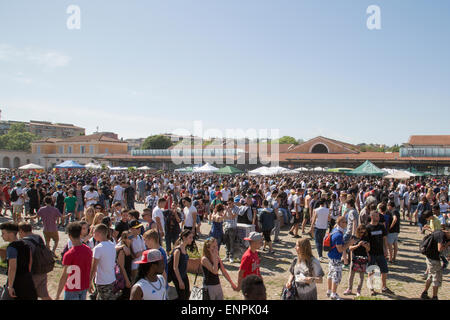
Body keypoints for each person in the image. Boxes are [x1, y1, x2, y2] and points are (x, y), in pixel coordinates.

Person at [56, 222, 93, 300]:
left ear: (69, 236)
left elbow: (64, 276)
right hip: (84, 286)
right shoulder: (89, 250)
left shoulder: (69, 254)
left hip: (72, 287)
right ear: (80, 234)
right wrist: (90, 283)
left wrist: (57, 295)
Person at [0, 222, 37, 300]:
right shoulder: (25, 244)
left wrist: (10, 286)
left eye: (3, 233)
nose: (1, 235)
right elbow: (30, 262)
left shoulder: (11, 248)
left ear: (10, 234)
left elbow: (12, 268)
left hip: (16, 281)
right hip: (27, 279)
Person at [18, 222, 51, 300]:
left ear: (21, 231)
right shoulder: (38, 237)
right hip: (42, 270)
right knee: (44, 295)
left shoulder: (24, 242)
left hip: (33, 273)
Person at [366, 210, 395, 296]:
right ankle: (371, 288)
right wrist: (367, 253)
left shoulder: (381, 226)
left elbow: (385, 238)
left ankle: (384, 287)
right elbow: (366, 242)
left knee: (384, 270)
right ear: (372, 217)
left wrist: (385, 249)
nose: (378, 218)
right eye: (376, 216)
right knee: (371, 271)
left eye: (378, 216)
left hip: (381, 253)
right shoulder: (368, 228)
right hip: (372, 253)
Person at [326, 216, 356, 300]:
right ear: (340, 223)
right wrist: (350, 243)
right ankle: (334, 294)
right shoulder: (339, 234)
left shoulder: (334, 230)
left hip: (331, 256)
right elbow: (340, 249)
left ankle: (329, 291)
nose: (346, 223)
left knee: (330, 274)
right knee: (336, 276)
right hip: (336, 258)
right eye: (345, 222)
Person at [89, 224, 118, 300]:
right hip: (111, 278)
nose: (92, 235)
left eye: (93, 233)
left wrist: (89, 282)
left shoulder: (98, 248)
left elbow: (94, 267)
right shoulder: (112, 245)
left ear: (98, 233)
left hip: (102, 280)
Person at [420, 229, 450, 300]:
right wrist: (447, 245)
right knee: (436, 278)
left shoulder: (439, 232)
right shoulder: (441, 236)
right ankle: (434, 297)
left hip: (430, 257)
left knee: (430, 275)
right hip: (433, 259)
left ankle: (424, 293)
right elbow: (440, 249)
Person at [343, 225, 370, 297]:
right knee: (351, 275)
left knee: (361, 276)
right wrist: (358, 245)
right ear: (358, 231)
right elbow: (350, 248)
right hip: (354, 258)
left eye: (364, 232)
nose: (362, 234)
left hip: (363, 258)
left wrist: (365, 246)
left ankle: (358, 290)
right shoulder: (353, 238)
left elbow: (369, 249)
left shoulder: (366, 238)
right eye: (361, 232)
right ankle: (349, 288)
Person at [172, 229, 194, 300]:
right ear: (184, 238)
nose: (192, 239)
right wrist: (180, 281)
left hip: (184, 275)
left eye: (192, 237)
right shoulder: (178, 251)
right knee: (182, 296)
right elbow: (175, 267)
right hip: (178, 277)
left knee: (187, 295)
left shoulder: (185, 248)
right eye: (190, 237)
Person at [115, 231, 133, 300]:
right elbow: (121, 267)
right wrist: (127, 280)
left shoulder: (129, 247)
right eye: (130, 237)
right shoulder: (122, 251)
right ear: (124, 239)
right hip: (123, 277)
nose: (132, 239)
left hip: (128, 274)